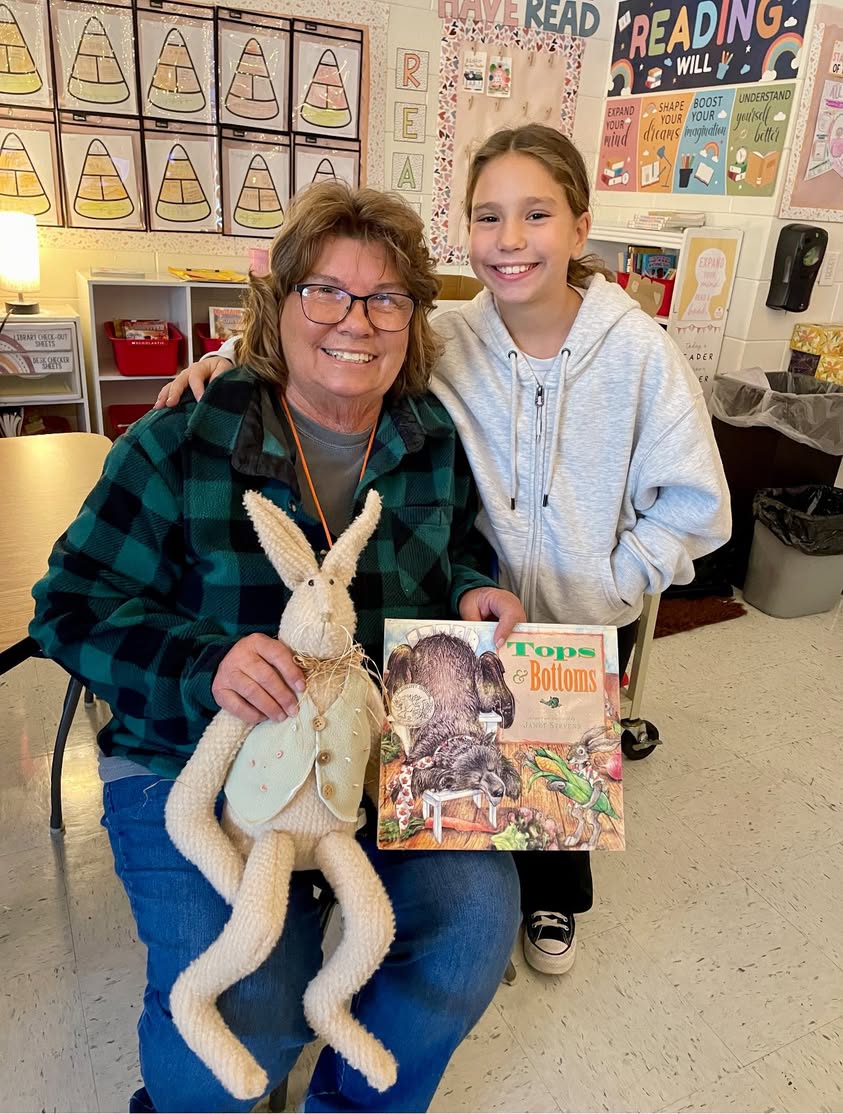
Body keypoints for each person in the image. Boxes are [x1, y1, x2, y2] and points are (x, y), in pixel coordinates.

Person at [157, 124, 731, 978]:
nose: (508, 240)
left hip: (580, 622)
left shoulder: (639, 352)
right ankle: (462, 889)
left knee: (557, 783)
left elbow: (696, 502)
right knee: (489, 767)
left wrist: (617, 576)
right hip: (471, 611)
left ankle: (555, 901)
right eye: (486, 216)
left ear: (579, 227)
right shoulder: (453, 335)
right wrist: (224, 358)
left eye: (534, 214)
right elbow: (331, 339)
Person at [30, 181, 526, 1114]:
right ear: (281, 304)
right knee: (250, 991)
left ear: (413, 319)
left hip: (370, 758)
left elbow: (454, 547)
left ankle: (351, 1102)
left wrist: (471, 587)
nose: (356, 321)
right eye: (326, 292)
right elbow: (69, 605)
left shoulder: (429, 441)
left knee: (471, 923)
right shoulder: (181, 440)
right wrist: (200, 660)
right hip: (193, 760)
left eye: (385, 299)